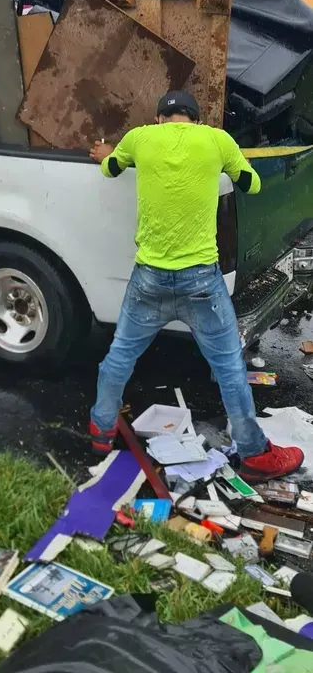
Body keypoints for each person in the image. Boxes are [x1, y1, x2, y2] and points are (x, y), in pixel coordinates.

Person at [88, 90, 303, 482]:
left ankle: (101, 430)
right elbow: (250, 185)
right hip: (202, 281)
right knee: (228, 368)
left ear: (159, 120)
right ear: (195, 118)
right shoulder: (217, 140)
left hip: (148, 279)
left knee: (120, 356)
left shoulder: (139, 138)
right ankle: (254, 453)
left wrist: (106, 152)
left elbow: (110, 167)